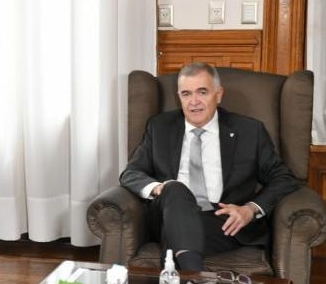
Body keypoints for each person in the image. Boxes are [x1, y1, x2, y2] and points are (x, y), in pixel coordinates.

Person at [119, 62, 299, 271]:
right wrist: (160, 188)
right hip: (167, 212)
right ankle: (197, 279)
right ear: (179, 97)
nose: (194, 102)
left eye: (202, 92)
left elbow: (283, 178)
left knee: (177, 233)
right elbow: (131, 173)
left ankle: (191, 280)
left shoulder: (249, 131)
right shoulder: (160, 127)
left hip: (221, 221)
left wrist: (250, 209)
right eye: (186, 94)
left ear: (218, 94)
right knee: (175, 189)